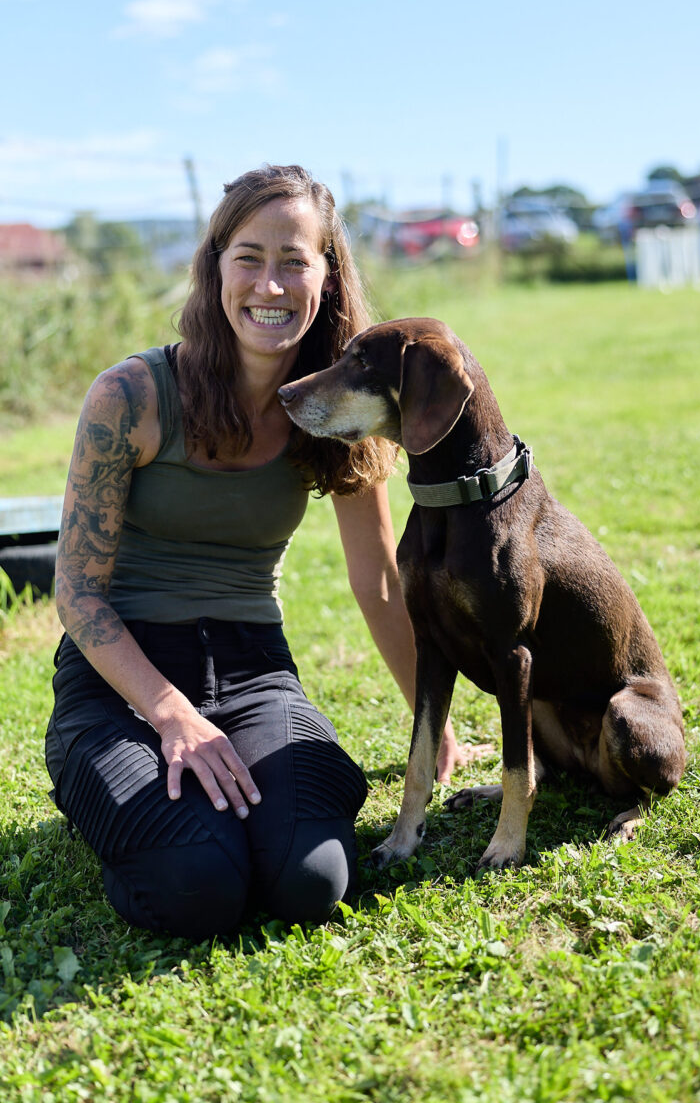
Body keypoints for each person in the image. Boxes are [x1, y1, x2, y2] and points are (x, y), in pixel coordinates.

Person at [45, 163, 475, 941]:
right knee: (197, 887)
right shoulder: (132, 397)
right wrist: (172, 715)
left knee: (313, 882)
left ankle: (211, 802)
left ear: (326, 276)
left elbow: (378, 580)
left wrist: (429, 719)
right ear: (214, 267)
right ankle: (106, 790)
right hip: (121, 683)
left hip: (253, 669)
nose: (269, 286)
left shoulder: (339, 408)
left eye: (293, 261)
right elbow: (76, 592)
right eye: (249, 257)